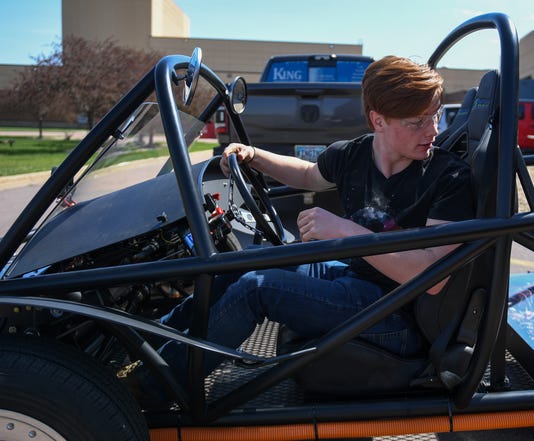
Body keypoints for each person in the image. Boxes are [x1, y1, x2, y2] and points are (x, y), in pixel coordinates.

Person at [129, 55, 475, 403]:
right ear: (378, 120)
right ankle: (148, 342)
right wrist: (254, 155)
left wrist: (345, 231)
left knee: (258, 289)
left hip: (396, 313)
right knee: (246, 261)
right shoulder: (355, 154)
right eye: (417, 122)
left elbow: (434, 276)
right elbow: (309, 174)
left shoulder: (449, 177)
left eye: (435, 116)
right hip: (355, 279)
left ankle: (148, 389)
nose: (433, 131)